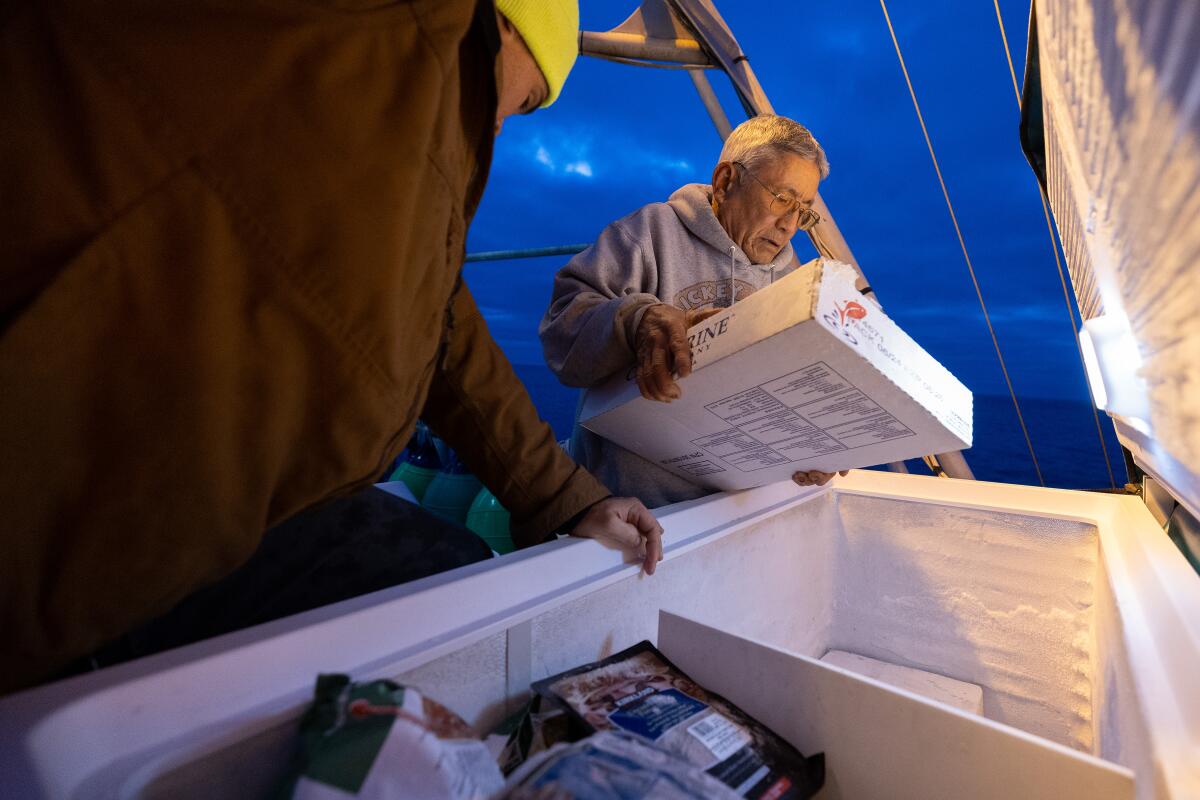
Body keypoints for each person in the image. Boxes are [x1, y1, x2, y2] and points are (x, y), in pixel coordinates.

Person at [0, 0, 662, 694]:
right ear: (508, 29)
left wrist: (562, 495)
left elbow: (440, 321)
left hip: (229, 507)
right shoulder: (387, 44)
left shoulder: (415, 151)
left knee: (453, 575)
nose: (499, 127)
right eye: (522, 99)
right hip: (76, 511)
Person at [540, 115, 849, 509]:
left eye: (803, 211)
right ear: (725, 182)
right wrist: (636, 321)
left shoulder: (794, 279)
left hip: (737, 513)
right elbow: (560, 334)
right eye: (782, 199)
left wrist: (815, 445)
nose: (789, 225)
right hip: (630, 514)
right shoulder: (648, 233)